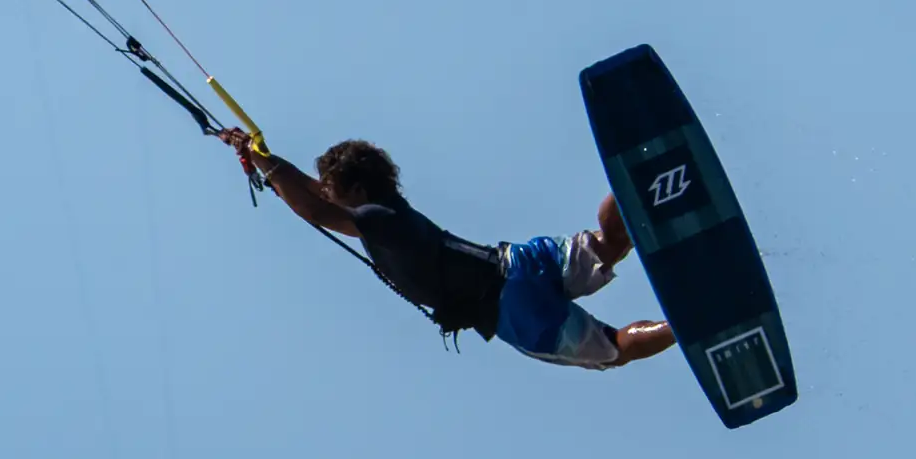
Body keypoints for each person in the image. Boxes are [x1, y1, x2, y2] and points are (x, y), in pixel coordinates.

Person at [214, 130, 675, 370]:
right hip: (518, 262)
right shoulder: (389, 212)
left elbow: (316, 210)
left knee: (615, 348)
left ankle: (684, 323)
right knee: (609, 242)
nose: (325, 192)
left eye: (333, 188)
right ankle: (643, 171)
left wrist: (264, 163)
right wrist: (261, 155)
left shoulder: (374, 220)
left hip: (513, 311)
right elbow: (312, 194)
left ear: (354, 189)